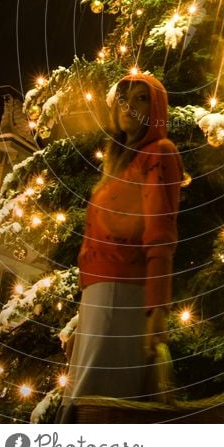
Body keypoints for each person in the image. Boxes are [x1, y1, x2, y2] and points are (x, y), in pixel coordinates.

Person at [55, 72, 183, 422]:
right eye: (124, 99)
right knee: (89, 396)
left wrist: (158, 305)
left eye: (142, 98)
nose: (130, 107)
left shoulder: (160, 152)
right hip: (99, 295)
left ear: (156, 109)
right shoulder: (118, 165)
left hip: (124, 292)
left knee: (97, 401)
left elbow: (160, 232)